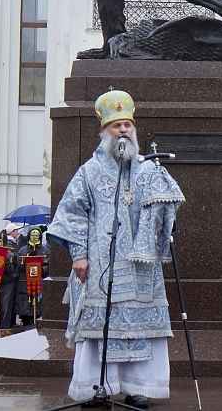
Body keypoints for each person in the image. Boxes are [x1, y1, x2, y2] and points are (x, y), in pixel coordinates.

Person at [51, 89, 186, 410]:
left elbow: (168, 212)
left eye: (128, 124)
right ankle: (97, 387)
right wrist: (79, 255)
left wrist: (165, 204)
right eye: (116, 125)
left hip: (141, 270)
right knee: (100, 328)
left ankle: (137, 386)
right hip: (100, 267)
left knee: (140, 326)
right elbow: (71, 214)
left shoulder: (149, 170)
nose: (123, 130)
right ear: (104, 132)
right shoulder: (89, 172)